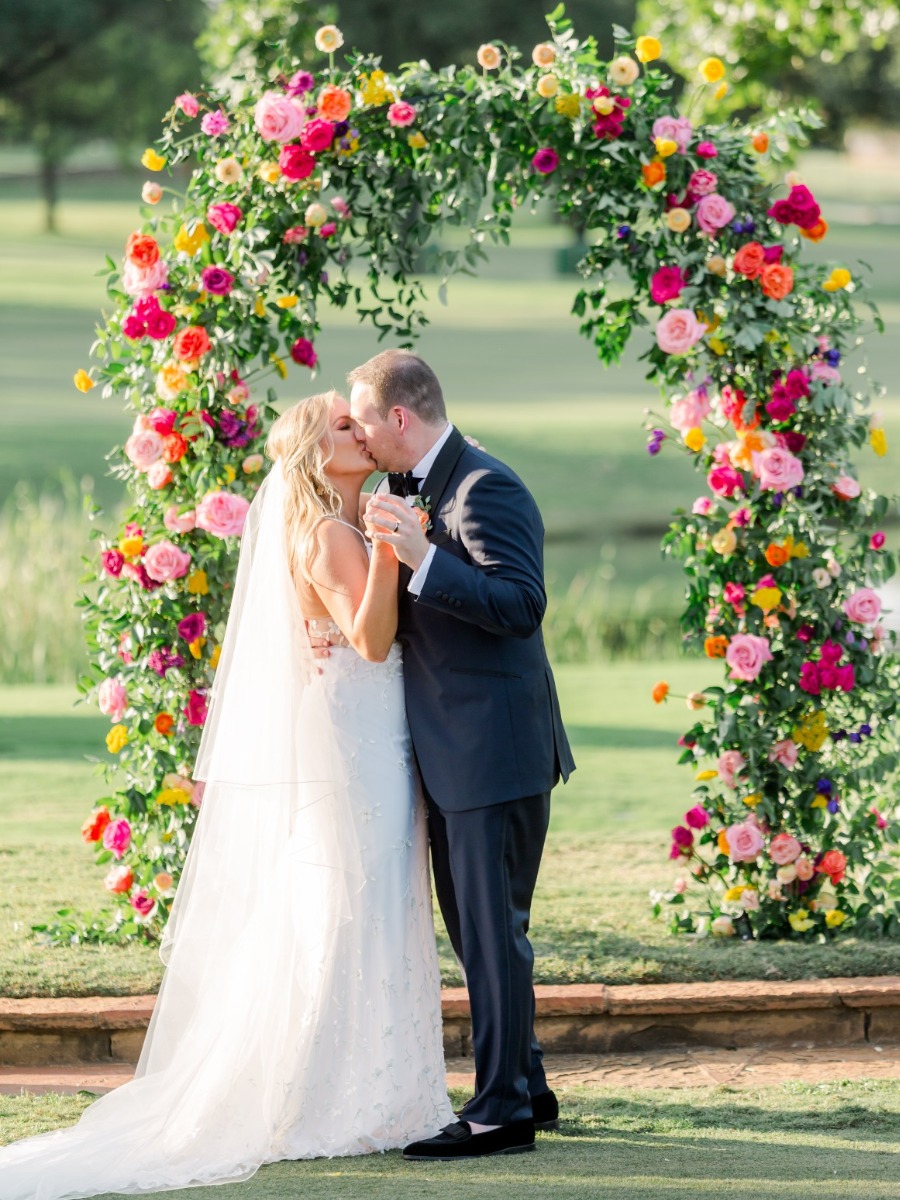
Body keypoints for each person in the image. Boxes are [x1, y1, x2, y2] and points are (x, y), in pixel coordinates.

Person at [0, 391, 454, 1197]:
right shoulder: (329, 533)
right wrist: (391, 549)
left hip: (365, 729)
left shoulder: (337, 527)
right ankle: (347, 1096)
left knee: (369, 898)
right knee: (362, 898)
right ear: (318, 455)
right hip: (360, 740)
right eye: (344, 425)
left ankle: (372, 1085)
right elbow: (372, 638)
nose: (359, 428)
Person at [346, 348, 576, 1162]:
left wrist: (424, 560)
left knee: (492, 933)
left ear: (398, 417)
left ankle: (500, 1112)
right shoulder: (412, 492)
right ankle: (530, 1085)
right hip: (453, 754)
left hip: (495, 753)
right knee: (479, 933)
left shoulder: (486, 488)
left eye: (363, 419)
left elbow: (522, 607)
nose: (359, 435)